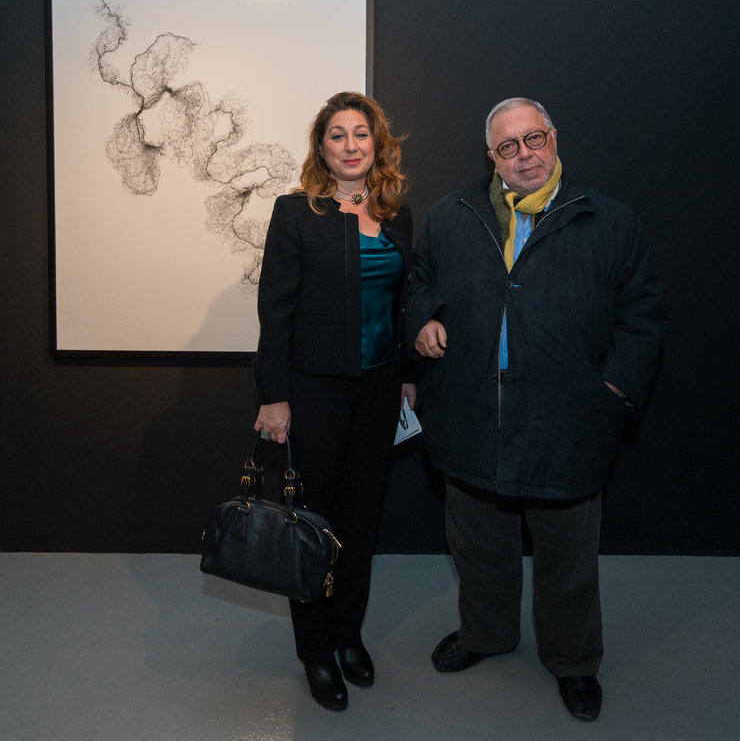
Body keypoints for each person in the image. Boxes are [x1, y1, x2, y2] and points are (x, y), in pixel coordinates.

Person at [406, 97, 666, 721]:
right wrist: (422, 319)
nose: (524, 155)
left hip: (566, 422)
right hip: (470, 412)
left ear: (554, 137)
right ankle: (486, 634)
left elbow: (642, 314)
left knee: (567, 559)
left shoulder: (608, 220)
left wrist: (613, 389)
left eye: (534, 139)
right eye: (508, 146)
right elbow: (417, 280)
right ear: (491, 158)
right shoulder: (452, 215)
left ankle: (573, 662)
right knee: (477, 544)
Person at [252, 91, 415, 712]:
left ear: (377, 145)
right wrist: (274, 397)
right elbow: (275, 311)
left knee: (360, 521)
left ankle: (348, 635)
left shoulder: (397, 215)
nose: (351, 145)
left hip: (379, 392)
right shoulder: (297, 213)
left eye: (361, 134)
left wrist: (406, 375)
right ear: (321, 149)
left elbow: (403, 303)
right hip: (314, 392)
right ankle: (315, 649)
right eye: (337, 135)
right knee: (312, 526)